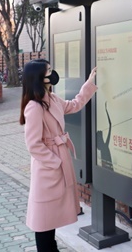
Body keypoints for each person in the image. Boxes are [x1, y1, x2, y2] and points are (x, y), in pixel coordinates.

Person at [19, 59, 97, 252]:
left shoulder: (51, 99)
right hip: (48, 169)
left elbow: (74, 104)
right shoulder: (34, 107)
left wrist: (89, 85)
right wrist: (55, 161)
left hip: (58, 162)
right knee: (43, 219)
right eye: (49, 71)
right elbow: (33, 144)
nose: (53, 73)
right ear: (39, 77)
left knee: (50, 218)